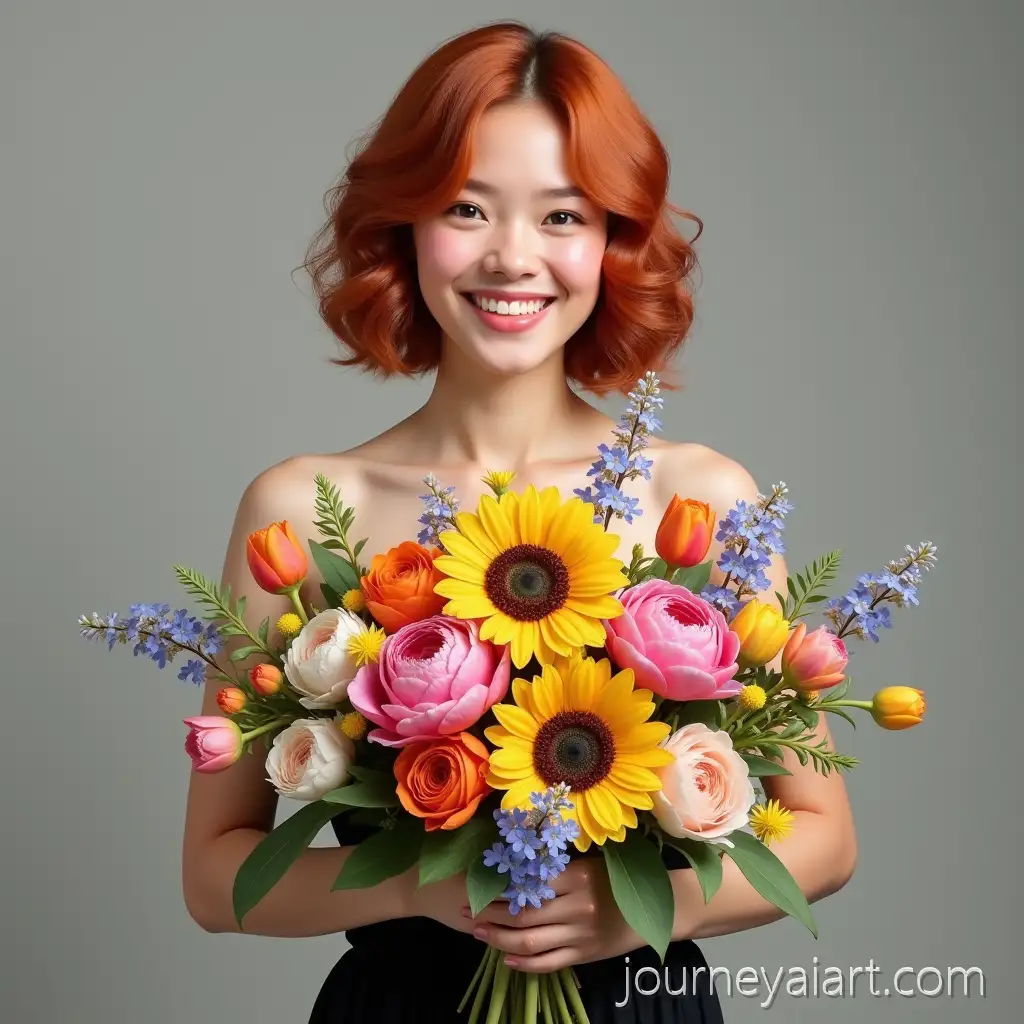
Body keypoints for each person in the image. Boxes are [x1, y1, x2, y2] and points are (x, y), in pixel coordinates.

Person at [181, 21, 858, 1022]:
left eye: (560, 216)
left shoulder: (702, 496)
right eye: (465, 208)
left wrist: (631, 913)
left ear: (611, 239)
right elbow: (213, 874)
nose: (511, 257)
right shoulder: (297, 508)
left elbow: (824, 835)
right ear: (404, 225)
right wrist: (415, 884)